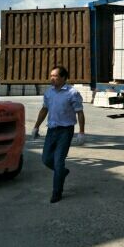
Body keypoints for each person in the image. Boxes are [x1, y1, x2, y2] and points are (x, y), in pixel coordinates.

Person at [32, 66, 85, 203]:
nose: (52, 78)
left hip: (65, 131)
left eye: (55, 76)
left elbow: (79, 112)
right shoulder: (49, 92)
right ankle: (62, 172)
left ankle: (57, 192)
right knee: (46, 159)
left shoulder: (72, 93)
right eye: (51, 76)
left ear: (63, 78)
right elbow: (44, 110)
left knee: (58, 161)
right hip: (51, 130)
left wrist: (81, 132)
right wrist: (36, 126)